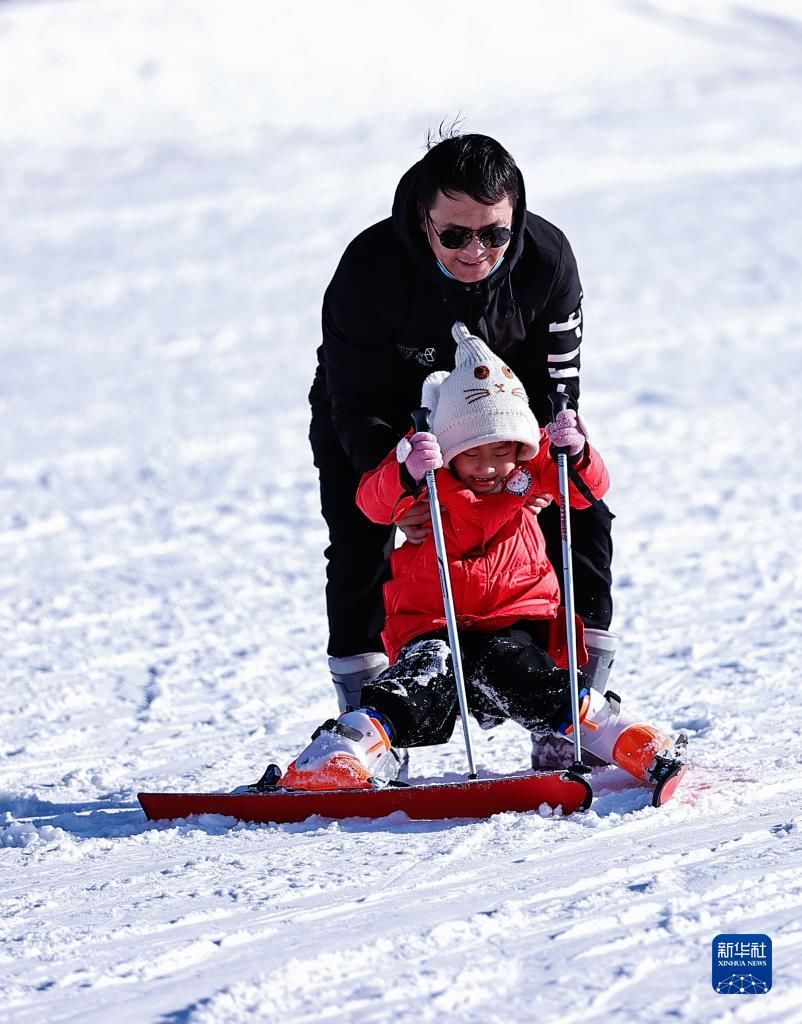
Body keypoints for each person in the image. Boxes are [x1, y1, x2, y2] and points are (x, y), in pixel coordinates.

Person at [309, 129, 615, 764]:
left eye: (494, 234)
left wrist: (539, 467)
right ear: (426, 222)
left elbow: (559, 386)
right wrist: (397, 486)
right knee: (360, 532)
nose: (476, 250)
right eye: (455, 234)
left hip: (502, 405)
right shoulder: (368, 270)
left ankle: (571, 710)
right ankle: (366, 730)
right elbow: (355, 401)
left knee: (580, 515)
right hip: (379, 410)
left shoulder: (548, 262)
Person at [283, 331, 682, 792]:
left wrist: (575, 455)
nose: (489, 467)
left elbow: (586, 493)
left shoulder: (531, 477)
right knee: (415, 687)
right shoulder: (428, 479)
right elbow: (372, 504)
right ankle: (337, 754)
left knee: (534, 683)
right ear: (451, 449)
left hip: (512, 623)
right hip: (435, 623)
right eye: (473, 454)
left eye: (502, 452)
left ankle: (632, 740)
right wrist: (406, 471)